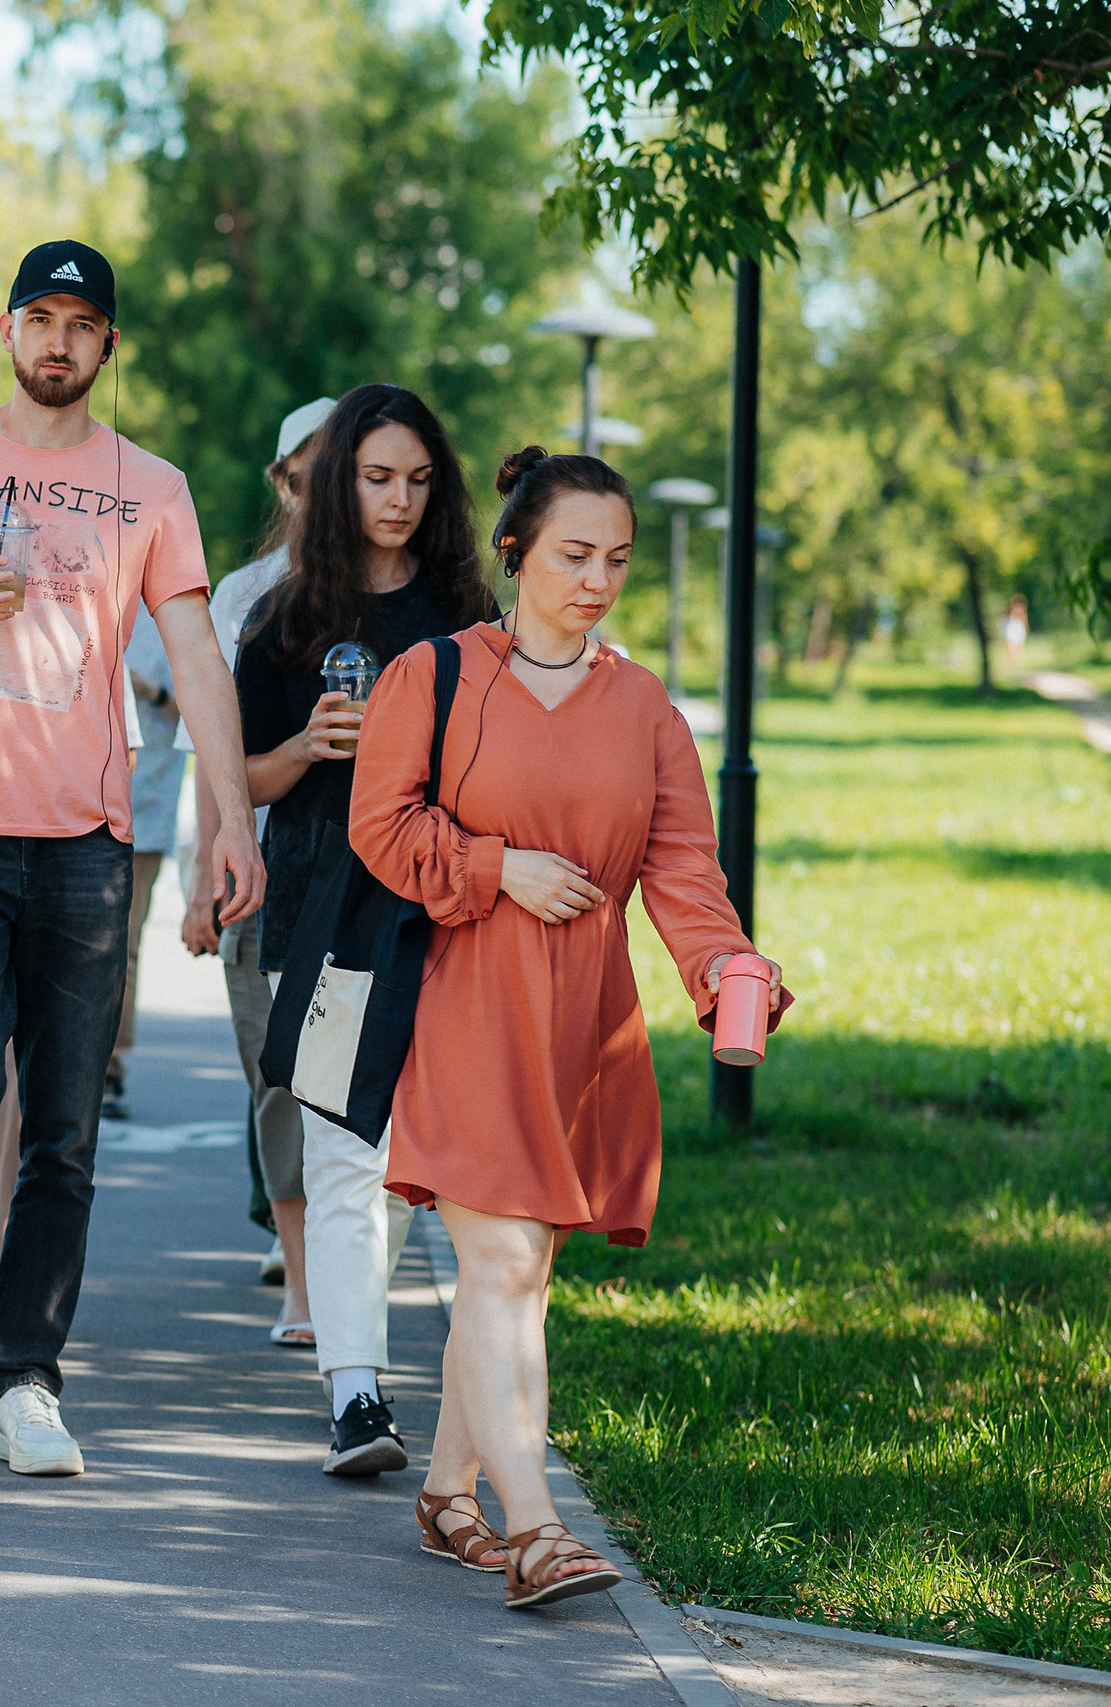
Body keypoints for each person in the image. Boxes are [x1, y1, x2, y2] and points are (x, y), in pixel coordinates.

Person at [348, 446, 790, 1607]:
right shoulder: (434, 676)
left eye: (617, 560)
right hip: (462, 994)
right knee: (498, 1258)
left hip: (581, 1016)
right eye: (574, 556)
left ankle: (449, 1499)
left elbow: (683, 872)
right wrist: (498, 867)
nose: (597, 580)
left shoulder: (644, 708)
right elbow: (380, 827)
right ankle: (536, 1528)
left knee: (521, 1271)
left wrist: (725, 969)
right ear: (514, 554)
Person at [0, 240, 261, 1476]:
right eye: (41, 317)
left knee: (65, 1131)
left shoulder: (153, 487)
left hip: (87, 847)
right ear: (7, 328)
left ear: (108, 346)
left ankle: (27, 1378)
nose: (60, 341)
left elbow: (193, 657)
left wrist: (227, 822)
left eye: (83, 323)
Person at [232, 384, 496, 1476]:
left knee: (442, 1168)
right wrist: (306, 747)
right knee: (344, 1156)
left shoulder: (470, 615)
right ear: (335, 481)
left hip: (447, 915)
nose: (395, 498)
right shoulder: (284, 617)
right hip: (324, 912)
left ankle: (466, 1401)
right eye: (375, 477)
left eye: (416, 480)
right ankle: (355, 1396)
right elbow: (238, 774)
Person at [180, 395, 334, 1341]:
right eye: (309, 473)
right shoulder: (241, 596)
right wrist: (207, 876)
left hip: (378, 880)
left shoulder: (414, 592)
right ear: (282, 483)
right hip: (267, 876)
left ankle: (345, 1271)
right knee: (277, 1080)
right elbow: (215, 751)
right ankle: (305, 1289)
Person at [104, 618, 186, 1121]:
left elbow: (194, 713)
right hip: (77, 804)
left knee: (122, 946)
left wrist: (144, 688)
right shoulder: (86, 590)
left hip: (146, 810)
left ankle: (110, 1066)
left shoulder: (171, 619)